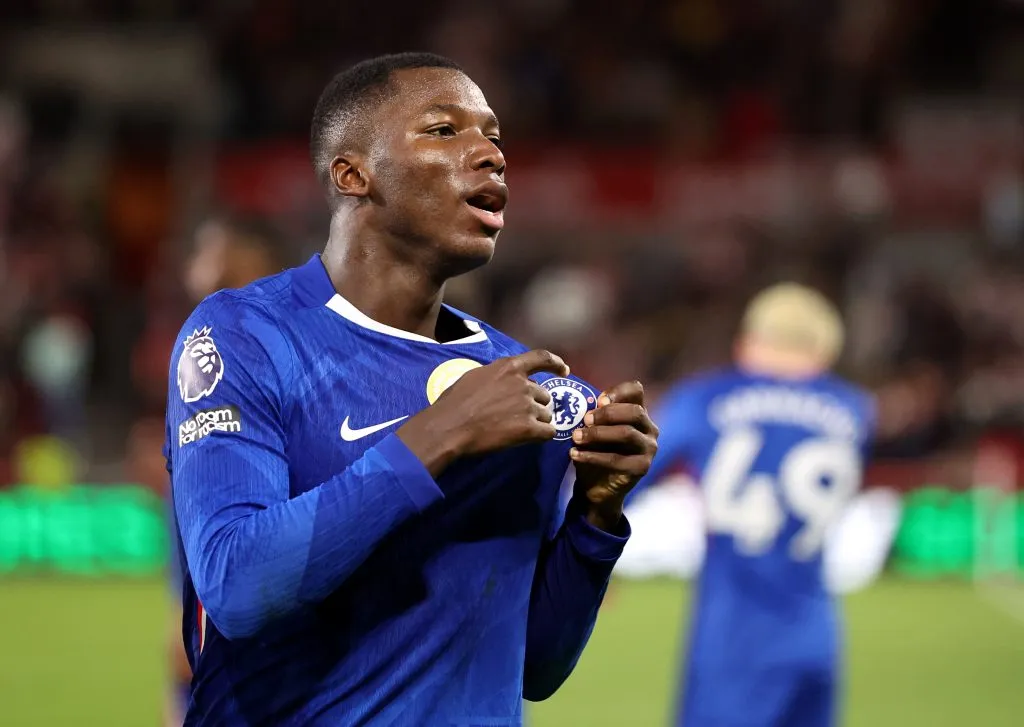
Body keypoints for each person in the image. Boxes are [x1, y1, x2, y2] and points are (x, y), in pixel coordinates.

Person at [163, 52, 658, 726]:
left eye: (494, 136)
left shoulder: (523, 385)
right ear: (352, 172)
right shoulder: (244, 335)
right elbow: (240, 584)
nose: (490, 155)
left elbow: (534, 662)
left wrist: (596, 517)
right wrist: (442, 432)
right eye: (444, 130)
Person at [633, 283, 874, 727]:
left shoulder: (706, 399)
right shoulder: (854, 409)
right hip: (815, 630)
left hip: (734, 637)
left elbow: (631, 471)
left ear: (750, 340)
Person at [165, 215, 289, 726]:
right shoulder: (198, 358)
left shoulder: (286, 366)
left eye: (223, 260)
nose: (208, 274)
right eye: (203, 259)